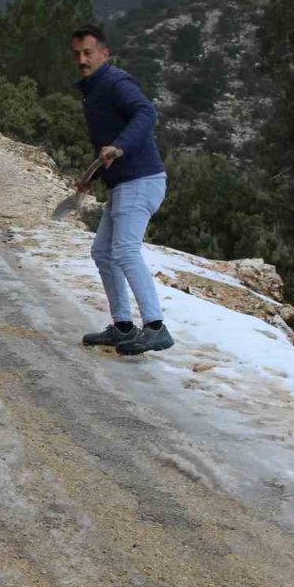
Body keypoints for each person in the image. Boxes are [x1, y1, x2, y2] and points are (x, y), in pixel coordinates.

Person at [71, 24, 174, 355]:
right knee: (102, 251)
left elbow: (146, 112)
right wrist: (92, 175)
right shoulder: (94, 89)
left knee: (126, 250)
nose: (82, 60)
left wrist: (120, 146)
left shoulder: (116, 82)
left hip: (141, 180)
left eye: (88, 53)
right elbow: (108, 146)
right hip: (122, 184)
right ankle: (123, 326)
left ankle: (156, 327)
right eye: (77, 55)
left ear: (104, 53)